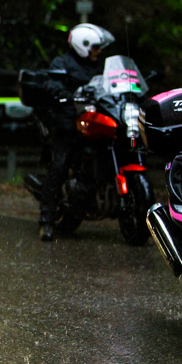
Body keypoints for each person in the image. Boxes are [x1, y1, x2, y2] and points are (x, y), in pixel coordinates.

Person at [37, 23, 115, 241]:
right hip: (69, 124)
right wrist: (64, 94)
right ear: (84, 45)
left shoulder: (101, 66)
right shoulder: (63, 63)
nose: (99, 52)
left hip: (96, 122)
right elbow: (50, 83)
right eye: (96, 48)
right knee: (60, 166)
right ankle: (46, 220)